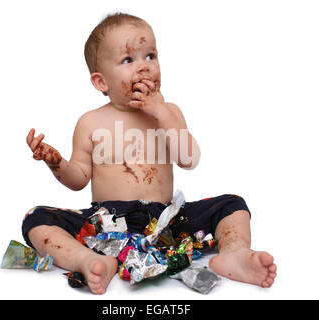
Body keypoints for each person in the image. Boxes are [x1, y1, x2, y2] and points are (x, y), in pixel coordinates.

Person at [22, 12, 276, 294]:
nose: (144, 68)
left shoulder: (169, 113)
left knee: (232, 204)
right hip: (107, 222)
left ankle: (234, 254)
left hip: (166, 222)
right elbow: (78, 179)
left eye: (150, 56)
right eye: (128, 60)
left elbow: (188, 159)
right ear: (101, 82)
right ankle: (90, 260)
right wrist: (55, 163)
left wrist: (162, 113)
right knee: (36, 218)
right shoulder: (90, 122)